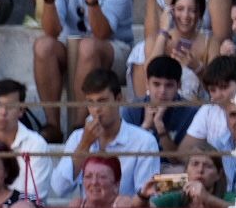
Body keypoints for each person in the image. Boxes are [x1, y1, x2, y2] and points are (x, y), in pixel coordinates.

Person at [33, 0, 134, 137]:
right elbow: (51, 32)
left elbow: (102, 34)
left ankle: (79, 125)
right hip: (72, 48)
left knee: (89, 46)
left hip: (113, 49)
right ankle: (53, 126)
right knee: (43, 46)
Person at [51, 69, 162, 199]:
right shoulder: (78, 138)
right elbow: (59, 189)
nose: (96, 109)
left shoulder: (144, 142)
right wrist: (84, 146)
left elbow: (148, 196)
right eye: (90, 103)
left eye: (102, 101)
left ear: (119, 99)